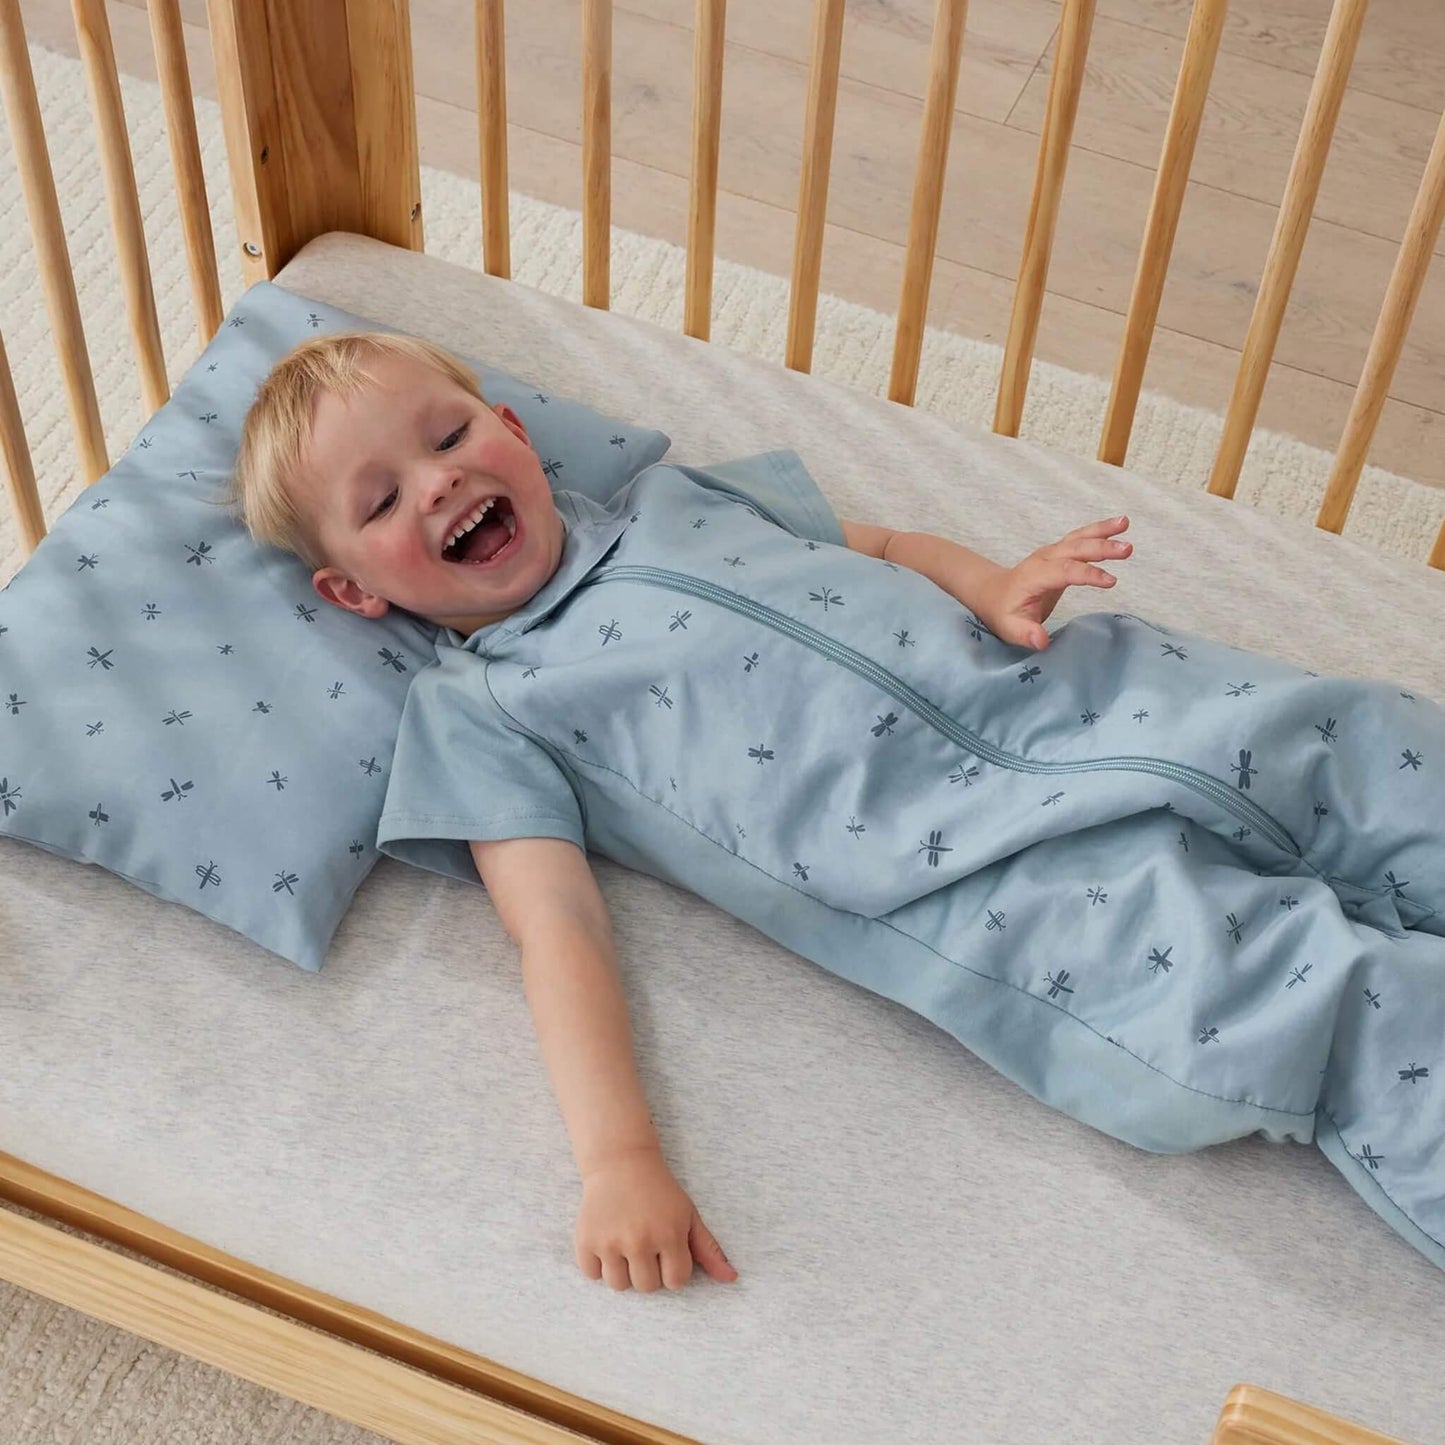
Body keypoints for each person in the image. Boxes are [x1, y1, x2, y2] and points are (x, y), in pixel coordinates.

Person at [232, 330, 1445, 1295]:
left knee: (1359, 741)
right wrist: (617, 1159)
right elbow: (556, 933)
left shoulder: (672, 496)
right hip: (987, 891)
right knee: (1310, 1005)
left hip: (1085, 699)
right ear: (353, 590)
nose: (439, 479)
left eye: (448, 434)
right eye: (383, 499)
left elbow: (869, 539)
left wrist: (988, 579)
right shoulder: (484, 707)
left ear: (512, 429)